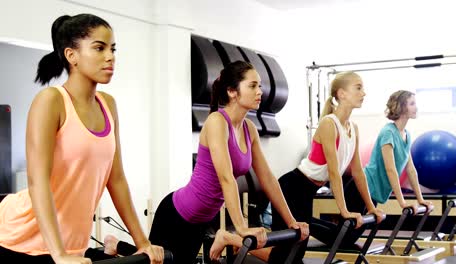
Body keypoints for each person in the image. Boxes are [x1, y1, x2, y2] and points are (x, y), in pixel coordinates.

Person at [103, 60, 309, 264]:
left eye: (260, 86)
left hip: (200, 221)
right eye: (252, 86)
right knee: (154, 261)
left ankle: (116, 246)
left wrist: (291, 221)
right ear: (232, 92)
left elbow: (268, 179)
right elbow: (226, 177)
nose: (260, 92)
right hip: (177, 215)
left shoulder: (249, 129)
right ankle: (116, 246)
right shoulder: (217, 122)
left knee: (169, 261)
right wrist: (241, 228)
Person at [0, 14, 164, 264]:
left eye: (112, 49)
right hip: (20, 238)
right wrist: (58, 253)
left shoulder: (108, 105)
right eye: (99, 48)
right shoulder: (51, 101)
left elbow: (116, 179)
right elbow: (37, 181)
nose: (110, 56)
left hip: (72, 245)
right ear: (71, 55)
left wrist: (143, 243)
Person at [269, 71, 385, 254]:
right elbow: (333, 172)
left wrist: (371, 208)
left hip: (307, 191)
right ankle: (238, 248)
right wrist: (344, 211)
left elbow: (358, 172)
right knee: (287, 252)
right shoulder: (329, 124)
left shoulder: (353, 128)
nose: (364, 93)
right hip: (291, 188)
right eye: (358, 87)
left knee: (296, 252)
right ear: (341, 93)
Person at [343, 90, 434, 232]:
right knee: (345, 234)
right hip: (361, 187)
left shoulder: (406, 135)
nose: (416, 107)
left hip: (373, 192)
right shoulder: (388, 132)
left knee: (351, 234)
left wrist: (420, 199)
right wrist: (402, 203)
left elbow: (411, 169)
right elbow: (390, 169)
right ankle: (307, 226)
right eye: (412, 104)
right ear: (402, 107)